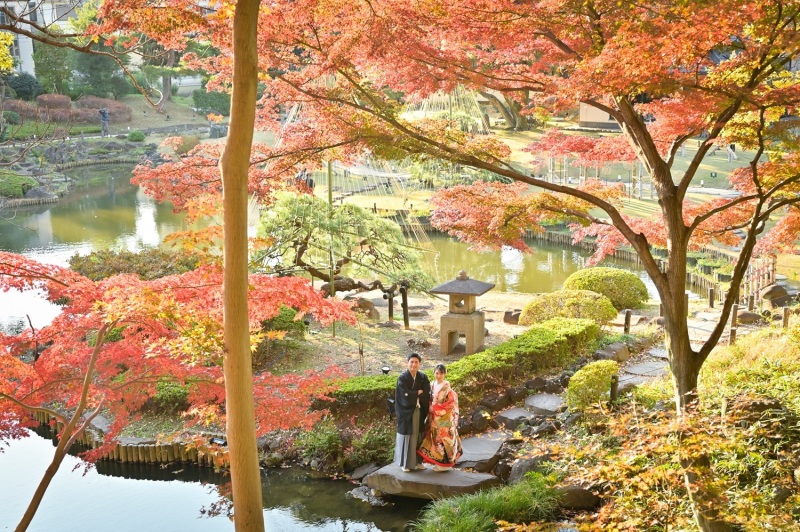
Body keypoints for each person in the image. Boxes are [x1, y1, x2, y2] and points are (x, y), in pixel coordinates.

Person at [417, 364, 462, 472]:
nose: (439, 375)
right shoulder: (432, 385)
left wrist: (435, 409)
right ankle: (438, 462)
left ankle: (445, 464)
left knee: (444, 439)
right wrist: (429, 407)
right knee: (434, 439)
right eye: (437, 373)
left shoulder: (447, 388)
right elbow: (428, 399)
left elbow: (451, 404)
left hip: (444, 418)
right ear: (434, 373)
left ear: (445, 374)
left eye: (441, 373)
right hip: (433, 417)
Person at [394, 352, 431, 472]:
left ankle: (417, 462)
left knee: (419, 435)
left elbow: (426, 392)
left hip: (419, 410)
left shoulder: (423, 377)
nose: (414, 364)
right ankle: (405, 463)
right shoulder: (402, 377)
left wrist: (414, 393)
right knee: (407, 436)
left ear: (419, 364)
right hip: (406, 412)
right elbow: (404, 394)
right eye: (412, 362)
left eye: (416, 362)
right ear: (407, 363)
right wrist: (416, 393)